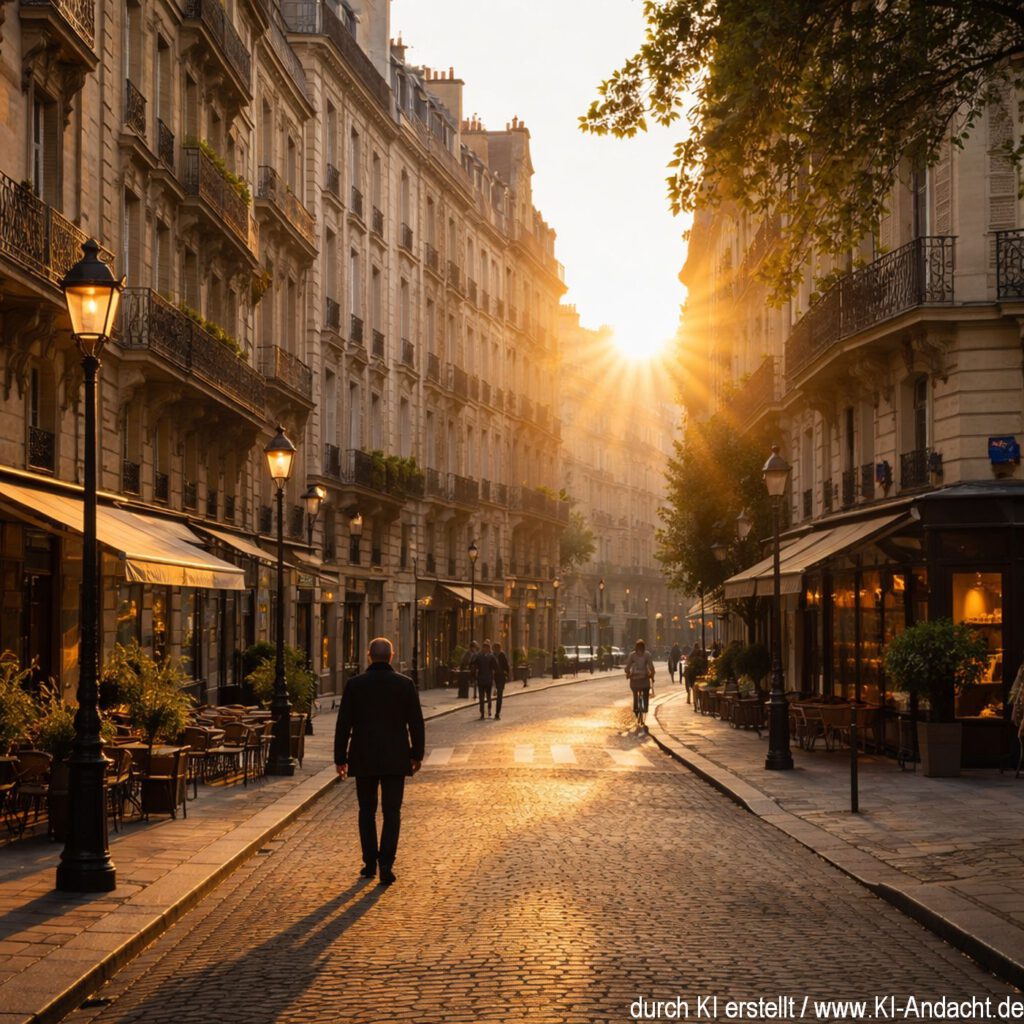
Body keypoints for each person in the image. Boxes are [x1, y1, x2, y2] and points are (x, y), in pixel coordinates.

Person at [335, 637, 425, 886]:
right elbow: (416, 722)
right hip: (395, 756)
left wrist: (340, 758)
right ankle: (386, 863)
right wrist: (417, 754)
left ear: (369, 656)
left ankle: (369, 863)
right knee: (392, 812)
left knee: (366, 811)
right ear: (392, 657)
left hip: (363, 755)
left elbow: (344, 724)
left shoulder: (355, 685)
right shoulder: (404, 684)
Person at [625, 639, 656, 729]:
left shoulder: (632, 655)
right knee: (646, 692)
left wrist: (628, 673)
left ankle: (636, 709)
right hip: (644, 679)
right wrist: (652, 675)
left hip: (634, 680)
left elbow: (627, 667)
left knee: (635, 694)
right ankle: (645, 708)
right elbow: (651, 667)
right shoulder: (647, 655)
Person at [476, 639, 499, 719]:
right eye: (484, 647)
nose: (485, 649)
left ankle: (487, 711)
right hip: (484, 679)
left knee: (487, 697)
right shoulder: (482, 656)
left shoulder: (484, 656)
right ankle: (483, 713)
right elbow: (495, 667)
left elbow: (495, 668)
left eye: (486, 647)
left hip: (486, 680)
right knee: (482, 698)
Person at [493, 641, 511, 720]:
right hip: (493, 677)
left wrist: (507, 674)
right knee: (493, 695)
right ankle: (489, 710)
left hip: (501, 677)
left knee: (499, 696)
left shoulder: (502, 655)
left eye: (498, 648)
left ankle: (497, 713)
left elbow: (506, 666)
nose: (497, 650)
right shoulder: (492, 656)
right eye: (496, 649)